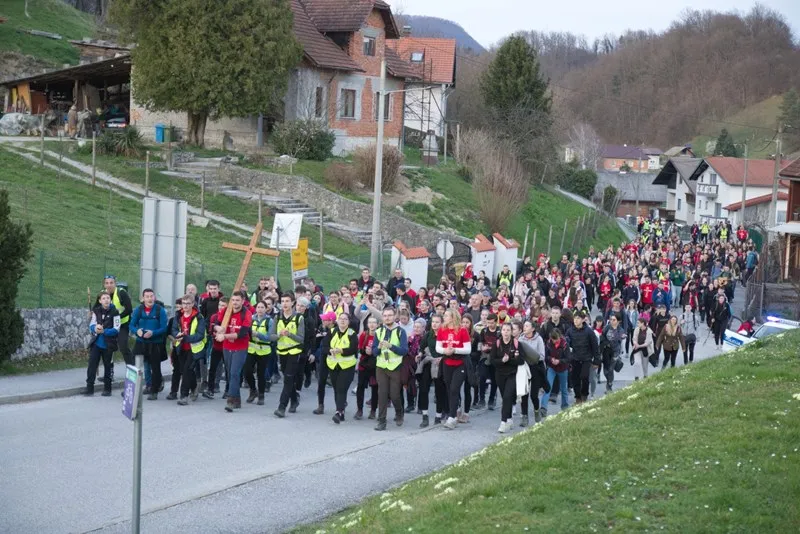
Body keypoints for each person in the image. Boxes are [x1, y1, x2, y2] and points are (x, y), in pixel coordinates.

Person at [214, 291, 252, 413]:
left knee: (235, 373)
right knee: (230, 374)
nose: (235, 303)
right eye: (233, 300)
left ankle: (230, 401)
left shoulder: (247, 314)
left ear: (242, 301)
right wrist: (217, 328)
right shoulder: (226, 311)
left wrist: (224, 336)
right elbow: (215, 324)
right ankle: (237, 399)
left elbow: (242, 333)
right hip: (227, 347)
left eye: (237, 300)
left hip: (240, 348)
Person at [372, 307, 409, 431]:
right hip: (381, 366)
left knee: (394, 395)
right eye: (385, 315)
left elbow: (404, 351)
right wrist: (380, 348)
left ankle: (399, 412)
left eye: (390, 315)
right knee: (382, 394)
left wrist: (391, 346)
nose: (387, 317)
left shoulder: (400, 332)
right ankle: (382, 421)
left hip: (395, 367)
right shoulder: (378, 331)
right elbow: (374, 352)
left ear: (394, 317)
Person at [270, 292, 305, 418]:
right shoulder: (277, 317)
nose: (284, 304)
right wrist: (279, 334)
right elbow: (271, 336)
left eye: (287, 301)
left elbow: (301, 339)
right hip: (282, 351)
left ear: (293, 303)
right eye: (282, 301)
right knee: (288, 378)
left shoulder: (299, 318)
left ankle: (281, 407)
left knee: (288, 379)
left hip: (294, 351)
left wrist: (289, 334)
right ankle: (295, 400)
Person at [130, 289, 168, 401]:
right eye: (147, 296)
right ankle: (142, 386)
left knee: (155, 367)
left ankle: (154, 391)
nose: (150, 299)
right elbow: (131, 325)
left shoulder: (160, 310)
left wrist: (153, 333)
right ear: (143, 299)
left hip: (155, 343)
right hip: (141, 343)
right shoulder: (138, 310)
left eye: (151, 296)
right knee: (140, 365)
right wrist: (137, 331)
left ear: (154, 297)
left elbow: (164, 328)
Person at [436, 309, 472, 429]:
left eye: (446, 315)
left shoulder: (462, 330)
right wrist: (445, 351)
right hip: (447, 362)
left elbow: (468, 349)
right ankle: (454, 412)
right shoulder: (442, 329)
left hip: (460, 363)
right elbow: (438, 347)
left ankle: (452, 417)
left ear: (453, 317)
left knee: (454, 389)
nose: (444, 317)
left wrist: (455, 350)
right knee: (448, 388)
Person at [82, 291, 120, 396]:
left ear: (110, 300)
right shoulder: (96, 311)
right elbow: (92, 325)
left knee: (108, 366)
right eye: (103, 298)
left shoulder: (115, 312)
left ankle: (107, 389)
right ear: (100, 301)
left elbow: (116, 329)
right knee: (92, 365)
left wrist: (105, 331)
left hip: (109, 344)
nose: (106, 300)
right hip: (97, 344)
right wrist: (95, 328)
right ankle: (89, 388)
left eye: (108, 298)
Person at [323, 312, 359, 424]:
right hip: (333, 364)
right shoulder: (332, 331)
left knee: (341, 388)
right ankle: (341, 410)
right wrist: (330, 350)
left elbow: (353, 349)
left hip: (347, 365)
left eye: (345, 319)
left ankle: (339, 412)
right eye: (340, 319)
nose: (342, 321)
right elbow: (324, 346)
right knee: (336, 388)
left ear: (348, 322)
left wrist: (341, 351)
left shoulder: (352, 333)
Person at [171, 294, 207, 405]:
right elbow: (173, 329)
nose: (185, 306)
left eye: (188, 303)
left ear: (192, 304)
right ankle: (194, 387)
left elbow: (200, 335)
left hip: (194, 348)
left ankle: (183, 396)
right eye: (184, 303)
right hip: (181, 347)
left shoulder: (199, 317)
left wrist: (186, 338)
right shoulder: (178, 315)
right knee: (185, 370)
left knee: (187, 370)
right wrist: (178, 334)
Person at [490, 323, 524, 433]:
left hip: (512, 374)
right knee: (506, 397)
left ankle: (503, 422)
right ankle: (509, 419)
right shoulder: (497, 343)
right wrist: (501, 361)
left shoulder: (517, 344)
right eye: (504, 330)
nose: (505, 332)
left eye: (508, 330)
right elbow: (492, 361)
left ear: (511, 332)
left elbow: (521, 361)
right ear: (501, 331)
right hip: (499, 375)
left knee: (507, 397)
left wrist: (510, 359)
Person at [517, 319, 547, 426]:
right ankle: (524, 416)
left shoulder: (538, 339)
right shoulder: (520, 339)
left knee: (534, 395)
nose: (525, 328)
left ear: (533, 329)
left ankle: (536, 411)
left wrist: (532, 357)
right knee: (524, 393)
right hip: (524, 368)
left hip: (536, 368)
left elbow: (542, 356)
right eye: (524, 326)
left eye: (527, 326)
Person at [566, 312, 599, 404]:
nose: (576, 320)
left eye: (578, 318)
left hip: (586, 358)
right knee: (575, 378)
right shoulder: (570, 331)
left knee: (584, 377)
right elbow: (566, 344)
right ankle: (578, 397)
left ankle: (584, 395)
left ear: (583, 319)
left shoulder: (589, 331)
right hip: (574, 358)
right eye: (575, 318)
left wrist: (596, 361)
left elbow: (595, 346)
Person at [243, 301, 272, 405]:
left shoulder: (270, 321)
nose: (260, 309)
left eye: (262, 307)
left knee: (261, 374)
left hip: (264, 350)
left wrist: (258, 334)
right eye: (258, 307)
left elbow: (270, 337)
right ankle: (253, 390)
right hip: (251, 349)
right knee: (247, 371)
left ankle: (261, 395)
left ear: (266, 309)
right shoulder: (251, 319)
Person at [103, 275, 133, 368]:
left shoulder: (121, 293)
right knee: (108, 348)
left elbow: (129, 309)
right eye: (107, 283)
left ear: (115, 283)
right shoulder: (102, 294)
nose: (109, 285)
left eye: (111, 283)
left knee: (123, 346)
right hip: (109, 325)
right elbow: (97, 308)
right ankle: (109, 374)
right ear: (104, 285)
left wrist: (117, 317)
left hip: (123, 324)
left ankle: (132, 370)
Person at [539, 330, 570, 416]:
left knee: (564, 389)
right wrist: (551, 359)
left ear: (559, 337)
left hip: (563, 368)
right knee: (548, 387)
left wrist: (559, 361)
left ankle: (565, 407)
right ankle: (543, 408)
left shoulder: (565, 344)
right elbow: (545, 356)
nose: (554, 341)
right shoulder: (549, 344)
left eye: (555, 339)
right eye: (552, 339)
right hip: (552, 368)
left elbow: (568, 358)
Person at [312, 312, 337, 415]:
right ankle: (320, 405)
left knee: (336, 383)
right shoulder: (322, 328)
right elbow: (316, 342)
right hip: (323, 357)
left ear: (331, 321)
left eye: (325, 319)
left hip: (335, 358)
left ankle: (341, 404)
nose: (322, 321)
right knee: (321, 382)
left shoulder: (338, 330)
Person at [355, 316, 379, 420]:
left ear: (378, 324)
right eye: (370, 322)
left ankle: (373, 410)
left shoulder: (380, 335)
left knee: (375, 388)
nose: (372, 324)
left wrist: (373, 352)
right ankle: (359, 410)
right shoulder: (363, 335)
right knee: (360, 387)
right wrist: (365, 351)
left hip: (375, 365)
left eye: (374, 322)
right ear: (367, 324)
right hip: (364, 365)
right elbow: (360, 349)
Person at [203, 297, 227, 399]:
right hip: (216, 346)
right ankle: (210, 389)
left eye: (223, 306)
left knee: (228, 369)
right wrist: (214, 333)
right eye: (219, 305)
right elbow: (211, 330)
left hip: (227, 347)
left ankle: (228, 390)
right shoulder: (214, 317)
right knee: (212, 368)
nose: (221, 307)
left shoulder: (229, 317)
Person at [600, 314, 625, 392]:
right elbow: (602, 336)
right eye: (611, 319)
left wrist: (622, 337)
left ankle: (609, 385)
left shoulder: (620, 330)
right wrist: (605, 342)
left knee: (611, 369)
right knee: (605, 370)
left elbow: (619, 337)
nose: (612, 321)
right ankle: (609, 381)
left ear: (618, 321)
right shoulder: (607, 327)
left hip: (615, 351)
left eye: (614, 320)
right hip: (606, 350)